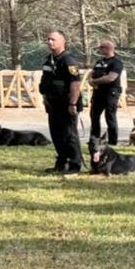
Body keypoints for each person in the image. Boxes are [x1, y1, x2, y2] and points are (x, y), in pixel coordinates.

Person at [39, 30, 84, 173]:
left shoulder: (68, 60)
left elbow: (75, 84)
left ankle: (74, 165)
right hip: (53, 103)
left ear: (63, 42)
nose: (49, 42)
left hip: (66, 104)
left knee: (69, 135)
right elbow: (46, 82)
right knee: (57, 135)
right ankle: (61, 163)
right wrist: (45, 98)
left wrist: (72, 104)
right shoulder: (49, 60)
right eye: (48, 39)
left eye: (53, 39)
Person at [88, 39, 124, 147]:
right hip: (98, 92)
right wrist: (90, 79)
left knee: (110, 117)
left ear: (108, 48)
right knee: (94, 115)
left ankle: (112, 141)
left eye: (102, 47)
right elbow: (92, 72)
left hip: (110, 93)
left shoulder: (116, 62)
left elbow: (111, 78)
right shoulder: (100, 62)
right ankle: (94, 139)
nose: (100, 49)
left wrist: (94, 81)